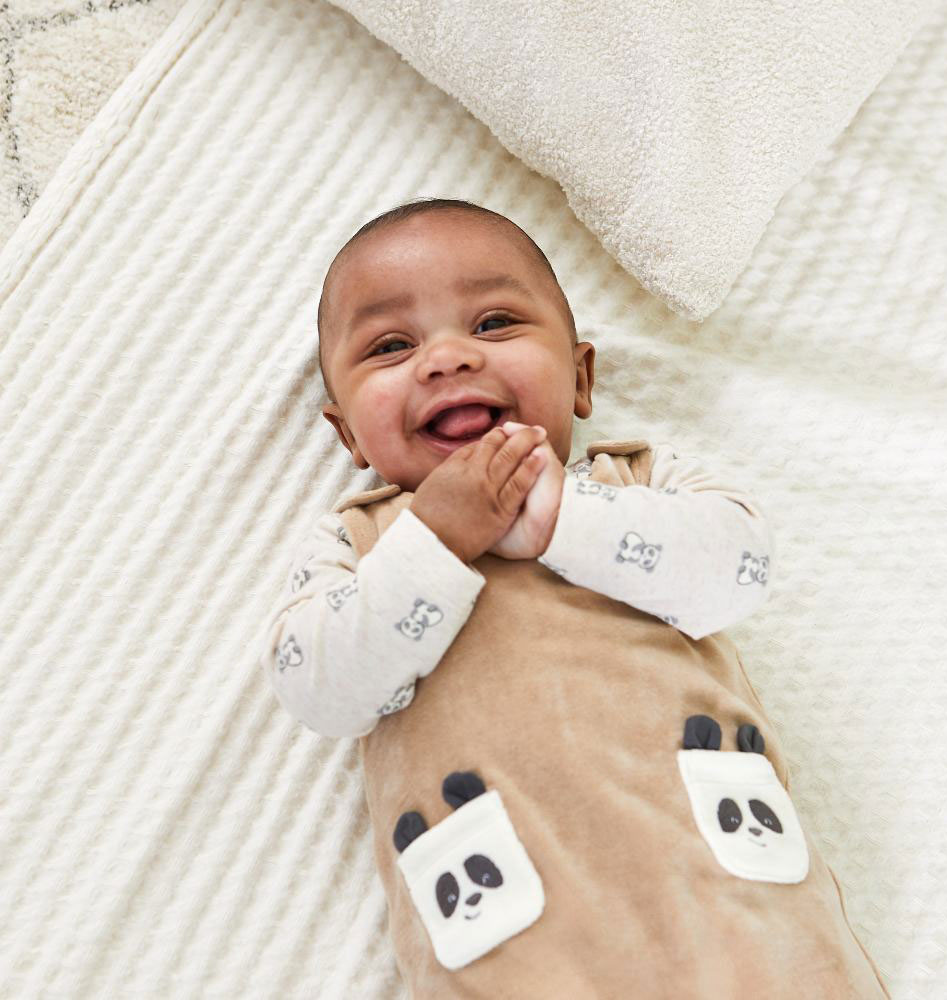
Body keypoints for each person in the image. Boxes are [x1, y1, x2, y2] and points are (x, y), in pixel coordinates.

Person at [259, 197, 889, 997]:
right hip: (509, 942)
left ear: (582, 377)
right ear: (348, 434)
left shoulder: (637, 484)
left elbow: (739, 571)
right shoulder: (361, 546)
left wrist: (564, 519)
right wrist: (438, 542)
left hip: (734, 905)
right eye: (390, 346)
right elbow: (318, 690)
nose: (447, 358)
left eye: (493, 324)